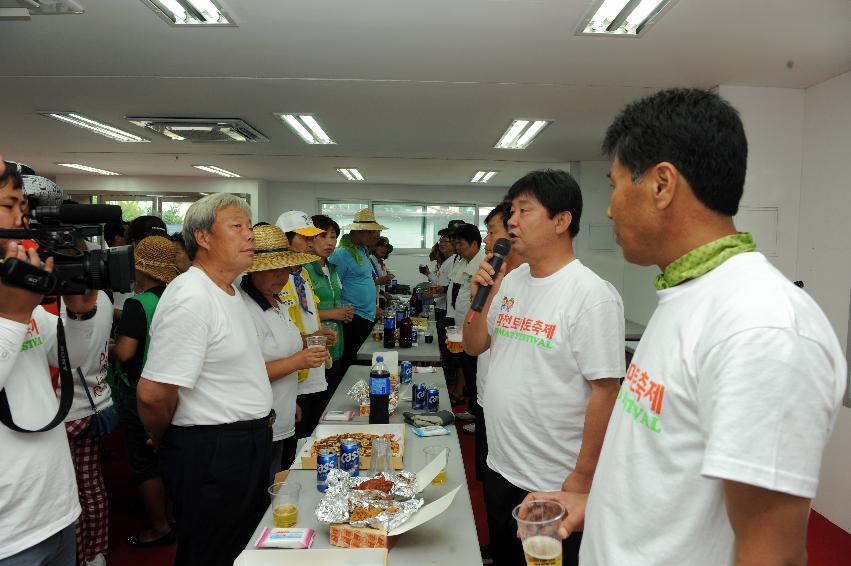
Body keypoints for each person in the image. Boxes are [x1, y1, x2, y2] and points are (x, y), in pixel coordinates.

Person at [538, 88, 845, 566]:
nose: (609, 208)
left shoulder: (759, 326)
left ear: (662, 184)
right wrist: (596, 505)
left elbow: (772, 554)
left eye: (616, 185)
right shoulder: (686, 295)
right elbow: (670, 470)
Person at [464, 170, 625, 566]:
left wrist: (582, 478)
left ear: (561, 220)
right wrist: (480, 300)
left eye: (524, 210)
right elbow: (474, 346)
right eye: (511, 211)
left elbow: (607, 391)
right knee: (505, 556)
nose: (512, 220)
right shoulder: (513, 281)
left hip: (552, 478)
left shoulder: (590, 295)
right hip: (502, 464)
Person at [137, 193, 274, 566]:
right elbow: (153, 394)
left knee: (240, 546)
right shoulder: (191, 295)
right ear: (204, 237)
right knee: (211, 552)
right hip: (213, 448)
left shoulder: (228, 292)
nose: (250, 236)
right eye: (237, 227)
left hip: (242, 443)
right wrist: (168, 437)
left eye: (250, 227)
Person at [0, 157, 100, 566]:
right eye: (10, 206)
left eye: (24, 208)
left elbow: (72, 359)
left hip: (51, 509)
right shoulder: (14, 300)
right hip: (9, 535)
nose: (24, 222)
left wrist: (79, 313)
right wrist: (11, 315)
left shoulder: (11, 286)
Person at [240, 224, 326, 477]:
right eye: (272, 269)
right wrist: (300, 360)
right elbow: (249, 372)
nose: (281, 276)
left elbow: (283, 344)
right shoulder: (245, 309)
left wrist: (310, 340)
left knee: (281, 474)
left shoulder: (276, 301)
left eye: (285, 268)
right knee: (265, 483)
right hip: (258, 419)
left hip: (282, 411)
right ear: (254, 271)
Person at [112, 235, 179, 549]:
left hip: (141, 391)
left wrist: (105, 346)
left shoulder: (137, 304)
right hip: (175, 390)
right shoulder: (177, 296)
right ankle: (173, 515)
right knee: (168, 455)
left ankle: (159, 527)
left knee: (143, 462)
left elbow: (126, 352)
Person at [61, 286, 114, 566]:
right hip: (94, 401)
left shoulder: (59, 302)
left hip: (62, 409)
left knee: (67, 492)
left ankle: (78, 557)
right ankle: (97, 553)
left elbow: (67, 357)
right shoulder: (101, 297)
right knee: (91, 483)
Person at [275, 211, 338, 440]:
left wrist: (320, 334)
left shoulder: (302, 273)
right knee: (295, 442)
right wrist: (311, 337)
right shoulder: (276, 278)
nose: (310, 244)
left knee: (312, 436)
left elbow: (309, 315)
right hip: (295, 372)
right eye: (305, 238)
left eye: (312, 238)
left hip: (314, 367)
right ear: (285, 239)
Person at [330, 209, 388, 376]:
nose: (375, 235)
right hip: (353, 317)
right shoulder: (341, 254)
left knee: (363, 362)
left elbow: (364, 282)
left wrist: (373, 307)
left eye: (376, 231)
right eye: (371, 231)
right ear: (358, 231)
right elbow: (335, 287)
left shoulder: (362, 251)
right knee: (352, 363)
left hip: (366, 315)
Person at [304, 215, 353, 396]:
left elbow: (336, 300)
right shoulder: (303, 269)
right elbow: (299, 313)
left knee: (331, 397)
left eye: (333, 237)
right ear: (309, 238)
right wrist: (334, 313)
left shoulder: (332, 268)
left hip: (336, 345)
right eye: (323, 236)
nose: (330, 242)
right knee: (315, 404)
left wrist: (344, 312)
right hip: (314, 347)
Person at [445, 223, 485, 424]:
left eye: (460, 244)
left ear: (474, 244)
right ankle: (472, 409)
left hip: (473, 328)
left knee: (476, 372)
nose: (457, 248)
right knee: (467, 368)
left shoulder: (483, 263)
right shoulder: (462, 261)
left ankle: (478, 416)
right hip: (459, 325)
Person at [370, 236, 394, 307]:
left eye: (386, 247)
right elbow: (370, 282)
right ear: (375, 247)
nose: (383, 249)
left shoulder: (382, 263)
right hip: (373, 299)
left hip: (380, 299)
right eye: (381, 246)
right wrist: (384, 294)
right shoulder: (370, 261)